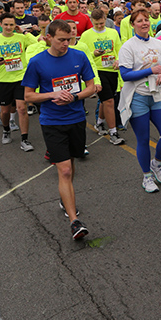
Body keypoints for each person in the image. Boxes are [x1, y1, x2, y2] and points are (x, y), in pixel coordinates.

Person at [22, 19, 96, 240]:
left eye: (69, 39)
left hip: (76, 119)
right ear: (48, 38)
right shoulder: (37, 62)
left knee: (70, 165)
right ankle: (75, 221)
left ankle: (66, 200)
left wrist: (74, 96)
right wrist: (52, 95)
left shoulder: (79, 57)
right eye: (61, 40)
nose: (66, 43)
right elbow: (28, 96)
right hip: (52, 122)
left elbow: (91, 87)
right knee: (63, 170)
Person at [117, 8, 161, 194]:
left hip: (157, 95)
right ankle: (147, 177)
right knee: (142, 139)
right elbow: (125, 75)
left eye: (146, 20)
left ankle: (157, 163)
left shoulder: (158, 44)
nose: (144, 23)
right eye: (140, 20)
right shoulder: (128, 46)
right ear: (133, 24)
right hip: (137, 97)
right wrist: (151, 71)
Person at [0, 13, 35, 150]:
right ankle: (6, 130)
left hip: (21, 78)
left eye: (11, 24)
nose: (8, 27)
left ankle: (25, 140)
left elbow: (36, 43)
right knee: (5, 111)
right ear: (1, 25)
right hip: (2, 80)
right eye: (6, 24)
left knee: (22, 109)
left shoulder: (21, 38)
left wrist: (24, 32)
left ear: (15, 25)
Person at [78, 8, 124, 145]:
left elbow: (119, 49)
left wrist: (118, 60)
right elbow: (84, 55)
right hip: (98, 70)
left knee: (106, 99)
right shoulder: (86, 35)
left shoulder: (113, 32)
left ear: (105, 20)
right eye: (96, 24)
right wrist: (94, 53)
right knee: (109, 101)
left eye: (101, 24)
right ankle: (113, 132)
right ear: (92, 21)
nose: (99, 26)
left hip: (112, 70)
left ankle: (99, 123)